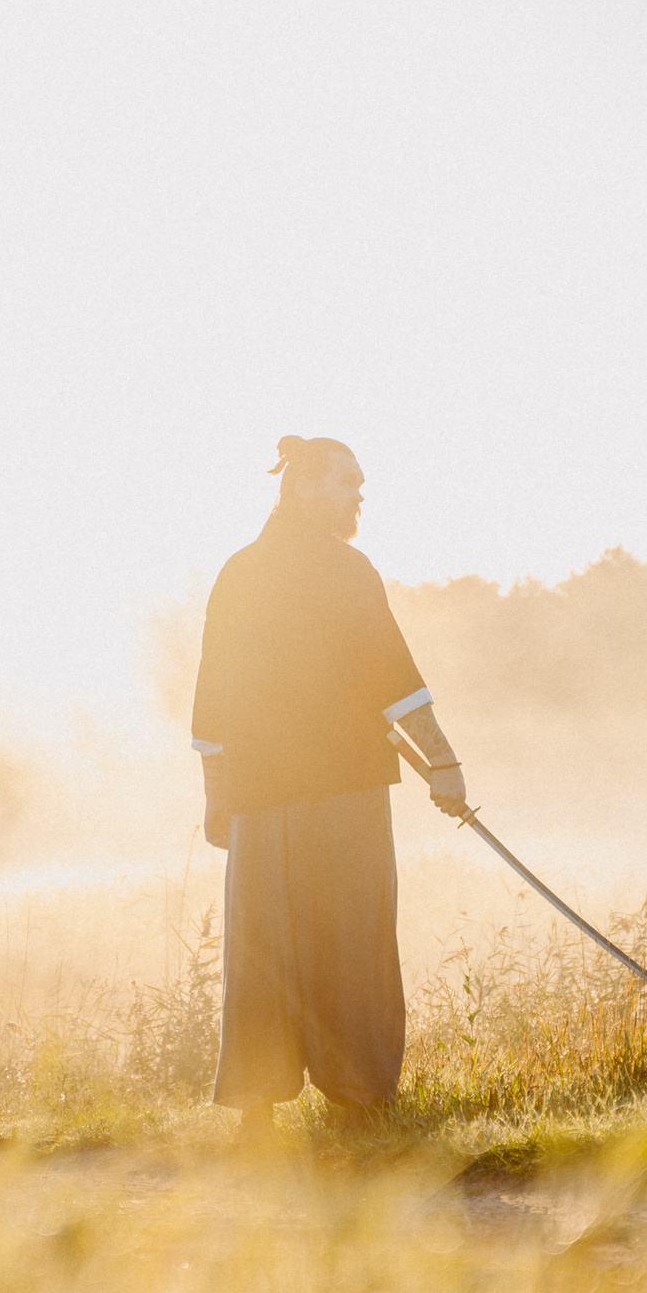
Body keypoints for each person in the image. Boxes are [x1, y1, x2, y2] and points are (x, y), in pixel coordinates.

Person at [191, 436, 468, 1143]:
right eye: (349, 483)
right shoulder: (348, 571)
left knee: (264, 949)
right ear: (306, 485)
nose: (360, 496)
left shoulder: (239, 572)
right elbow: (397, 683)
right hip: (341, 793)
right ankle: (360, 1099)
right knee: (353, 939)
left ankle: (259, 1104)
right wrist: (445, 764)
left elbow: (210, 707)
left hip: (259, 798)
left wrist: (217, 799)